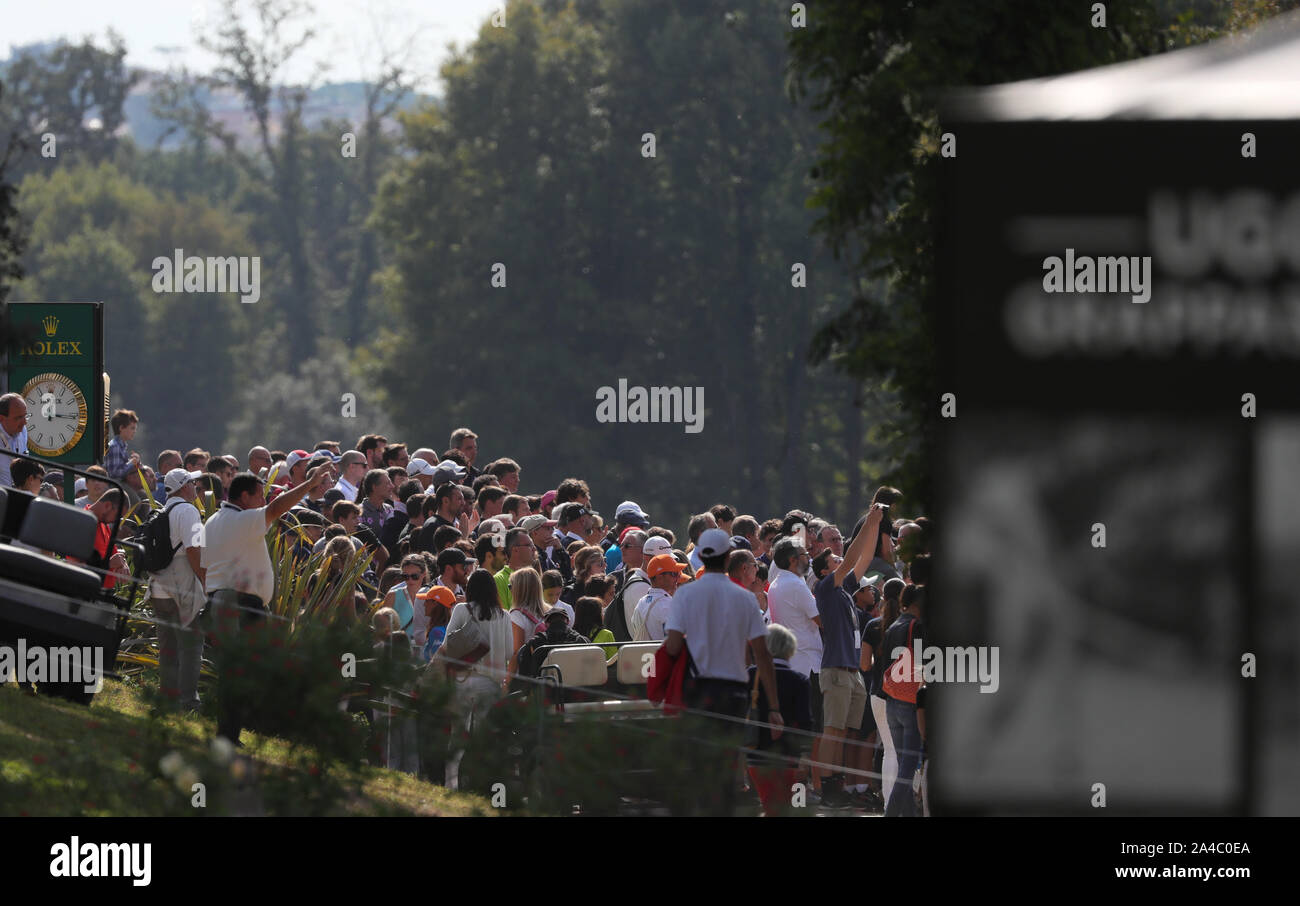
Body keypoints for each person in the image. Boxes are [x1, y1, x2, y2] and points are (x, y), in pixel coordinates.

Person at [202, 463, 329, 745]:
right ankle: (230, 735)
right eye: (260, 496)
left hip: (223, 602)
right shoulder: (242, 520)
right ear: (244, 497)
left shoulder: (214, 521)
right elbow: (278, 508)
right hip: (240, 605)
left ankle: (229, 733)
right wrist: (309, 485)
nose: (263, 502)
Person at [664, 528, 782, 814]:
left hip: (697, 690)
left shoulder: (685, 595)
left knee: (701, 761)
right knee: (728, 762)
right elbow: (763, 655)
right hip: (732, 691)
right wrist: (774, 707)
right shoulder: (744, 598)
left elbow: (672, 648)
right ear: (728, 556)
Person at [811, 504, 883, 809]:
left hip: (851, 671)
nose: (840, 559)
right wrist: (869, 519)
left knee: (843, 731)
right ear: (826, 569)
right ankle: (827, 787)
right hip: (837, 670)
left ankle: (838, 783)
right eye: (834, 559)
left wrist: (876, 526)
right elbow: (854, 554)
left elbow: (864, 558)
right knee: (832, 730)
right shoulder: (827, 587)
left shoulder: (844, 589)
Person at [442, 568, 514, 789]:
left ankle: (452, 785)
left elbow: (448, 644)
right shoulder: (504, 616)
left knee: (458, 735)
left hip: (463, 680)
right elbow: (510, 652)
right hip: (492, 683)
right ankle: (482, 783)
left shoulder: (462, 610)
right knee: (485, 735)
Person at [150, 469, 207, 712]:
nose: (197, 486)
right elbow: (194, 551)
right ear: (185, 487)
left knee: (168, 647)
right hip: (183, 589)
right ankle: (188, 702)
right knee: (191, 647)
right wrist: (206, 581)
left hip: (158, 589)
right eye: (193, 483)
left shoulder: (160, 511)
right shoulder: (189, 511)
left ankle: (168, 698)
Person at [746, 623, 813, 816]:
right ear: (790, 649)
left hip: (755, 755)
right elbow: (805, 721)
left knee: (770, 804)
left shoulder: (750, 675)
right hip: (789, 756)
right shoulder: (799, 681)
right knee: (790, 806)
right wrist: (806, 756)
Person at [883, 583, 926, 817]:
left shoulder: (892, 626)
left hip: (892, 701)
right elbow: (924, 663)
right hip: (910, 702)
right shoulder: (916, 626)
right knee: (907, 770)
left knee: (904, 767)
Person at [631, 553, 685, 641]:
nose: (678, 578)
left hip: (644, 653)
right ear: (659, 577)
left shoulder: (641, 602)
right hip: (661, 653)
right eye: (674, 574)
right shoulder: (668, 604)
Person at [506, 566, 547, 672]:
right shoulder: (550, 612)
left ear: (519, 590)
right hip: (547, 671)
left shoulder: (517, 615)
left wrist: (507, 681)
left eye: (511, 586)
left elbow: (516, 653)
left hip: (527, 675)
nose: (510, 590)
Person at [381, 553, 428, 645]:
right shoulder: (392, 595)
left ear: (424, 574)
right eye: (405, 576)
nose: (410, 580)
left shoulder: (432, 596)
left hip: (425, 653)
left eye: (415, 576)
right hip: (399, 651)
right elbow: (383, 628)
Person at [494, 527, 536, 610]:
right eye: (529, 545)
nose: (534, 549)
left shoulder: (534, 576)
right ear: (515, 550)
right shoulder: (498, 580)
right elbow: (505, 616)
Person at [0, 392, 30, 488]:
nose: (24, 422)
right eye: (18, 418)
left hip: (17, 496)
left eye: (25, 416)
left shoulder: (23, 431)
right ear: (1, 418)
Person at [104, 409, 141, 482]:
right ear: (121, 428)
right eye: (132, 428)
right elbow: (114, 474)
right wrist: (132, 463)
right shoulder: (115, 447)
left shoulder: (120, 446)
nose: (134, 431)